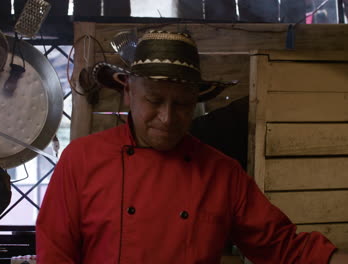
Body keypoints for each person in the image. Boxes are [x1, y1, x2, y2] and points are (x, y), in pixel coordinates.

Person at [36, 30, 348, 263]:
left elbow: (284, 247)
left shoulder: (221, 172)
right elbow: (56, 254)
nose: (168, 118)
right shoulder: (81, 160)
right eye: (155, 101)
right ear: (129, 92)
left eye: (182, 104)